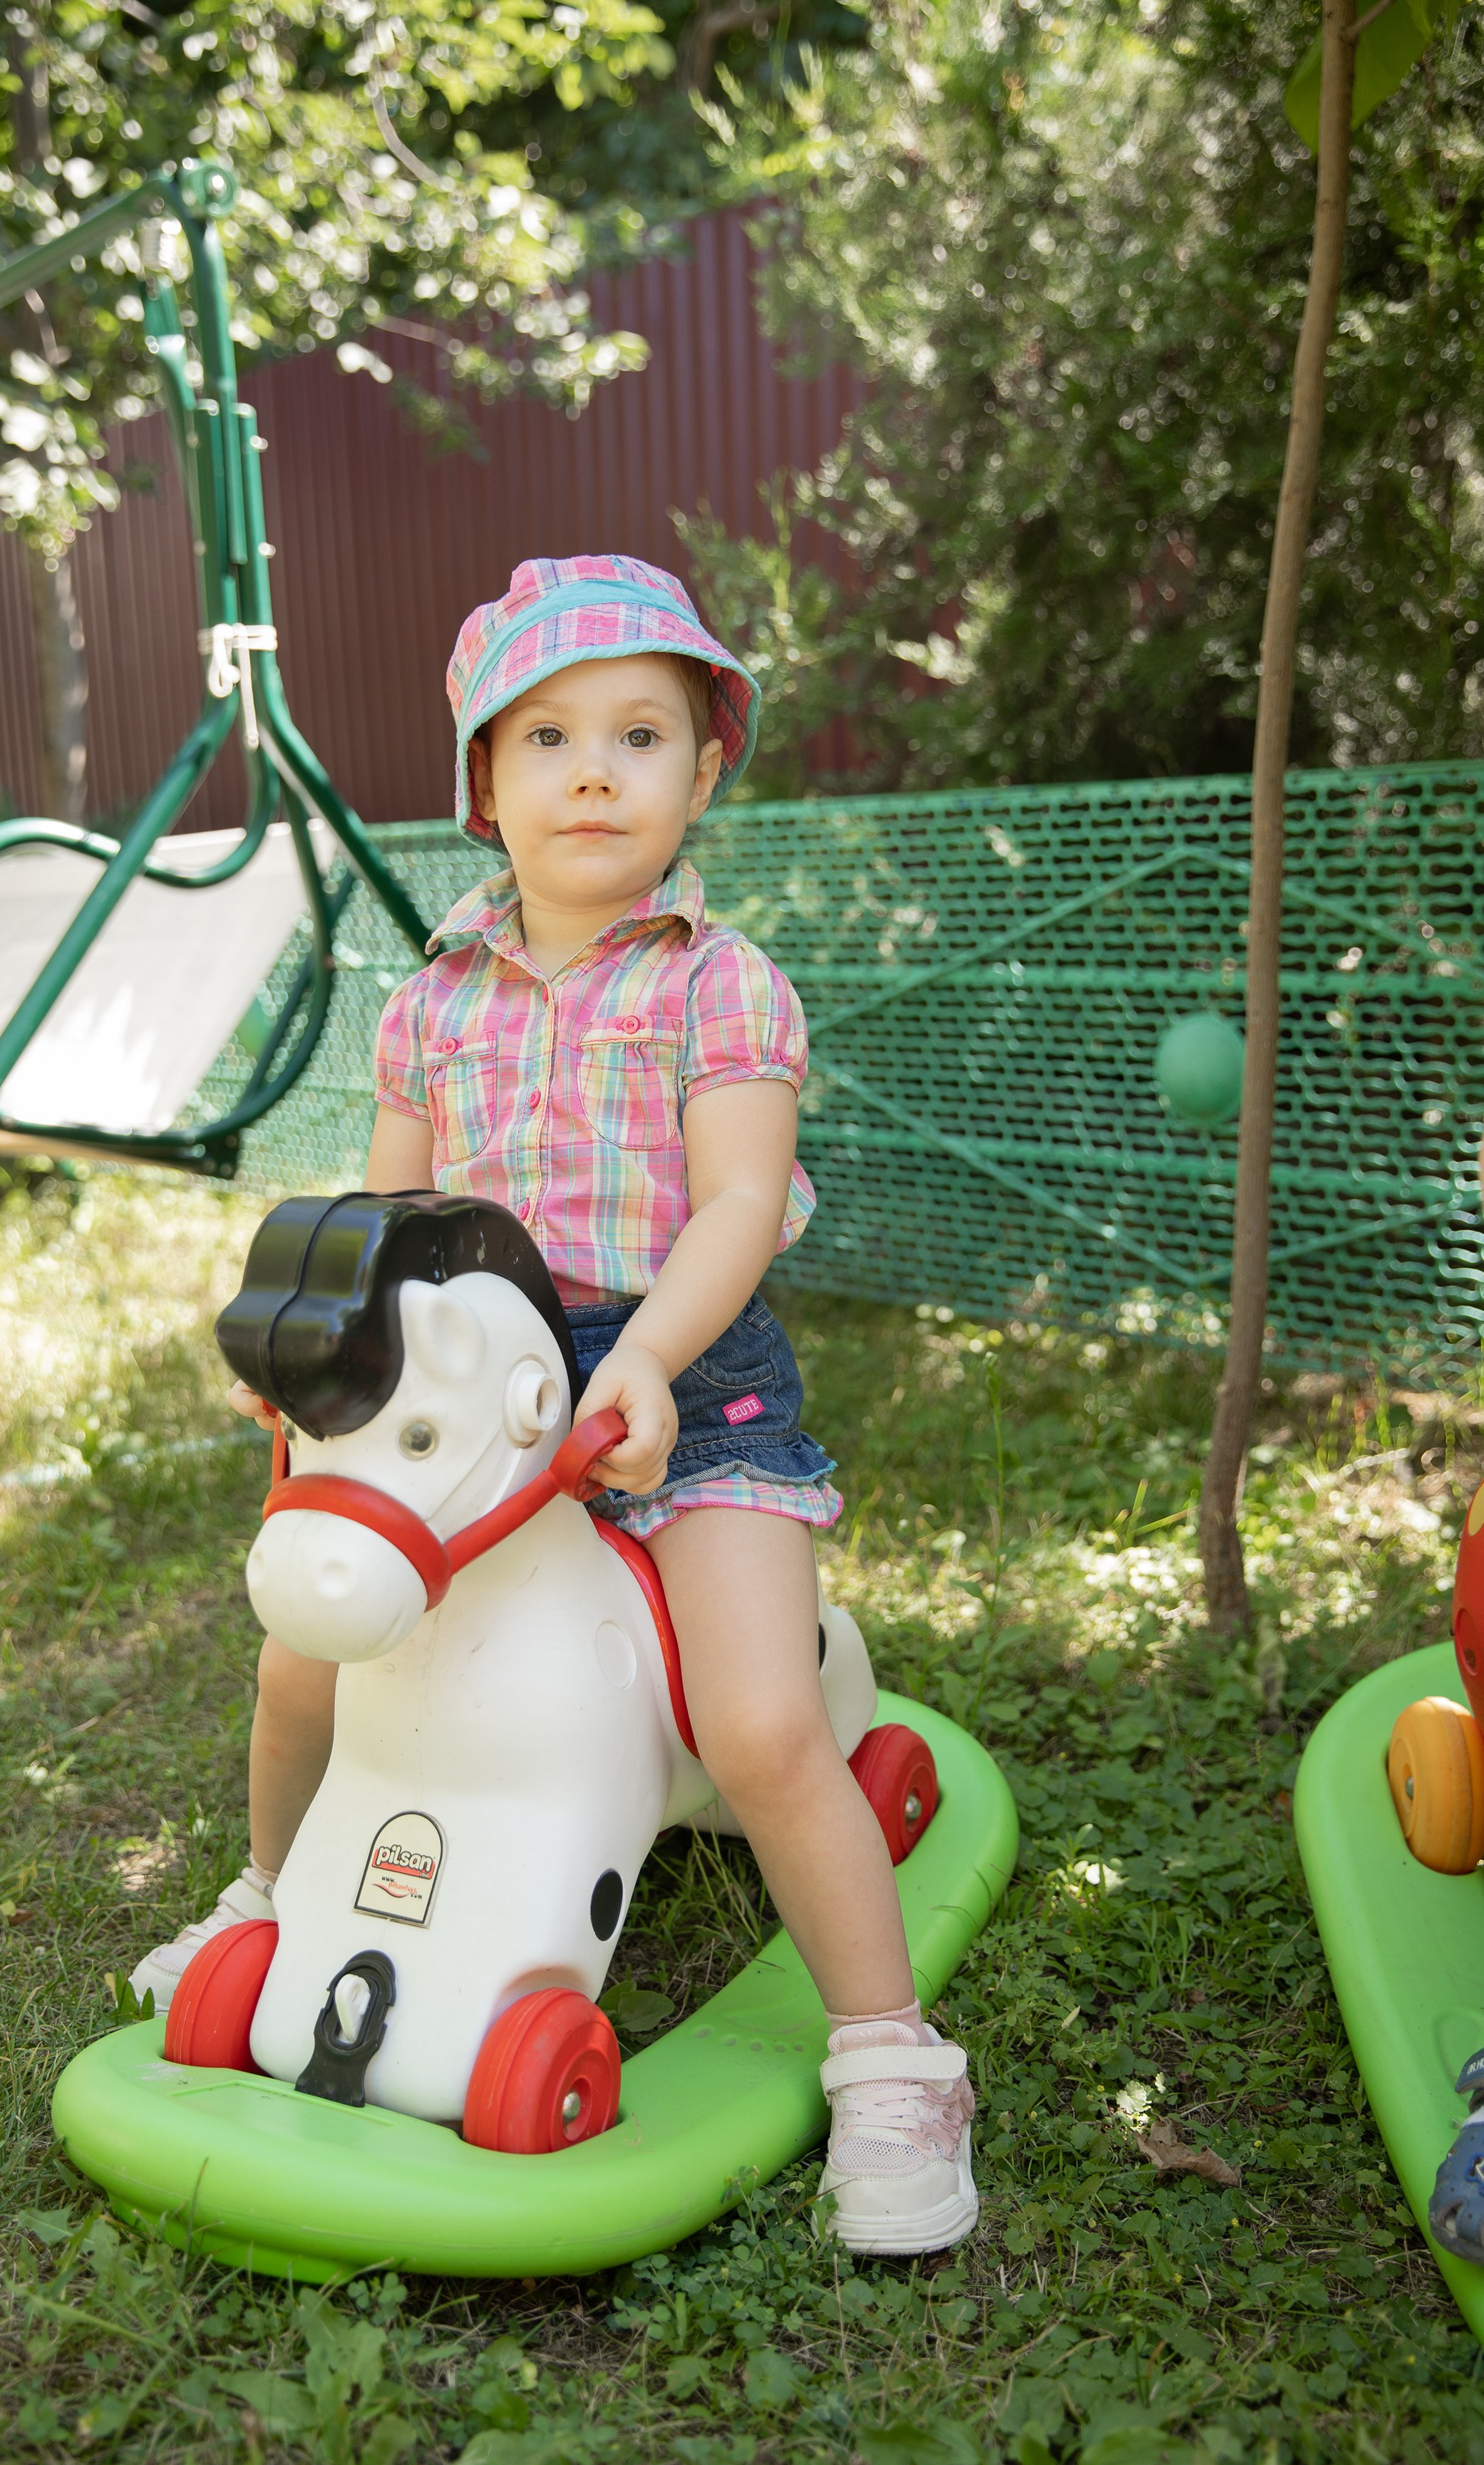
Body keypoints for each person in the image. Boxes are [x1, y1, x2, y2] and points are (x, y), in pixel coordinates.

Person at [133, 554, 977, 2254]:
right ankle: (264, 1894)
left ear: (700, 774)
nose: (593, 770)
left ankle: (890, 2054)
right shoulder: (431, 1003)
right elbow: (380, 1238)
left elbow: (736, 1203)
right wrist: (324, 1399)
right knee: (311, 1650)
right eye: (546, 738)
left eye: (639, 733)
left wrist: (649, 1357)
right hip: (469, 1385)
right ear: (484, 788)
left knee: (752, 1722)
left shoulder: (717, 984)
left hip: (690, 1376)